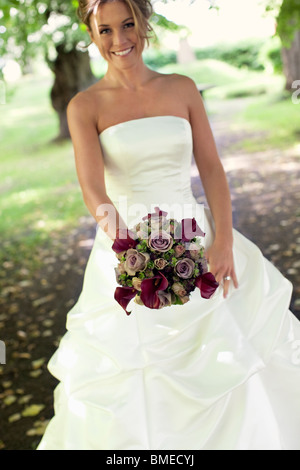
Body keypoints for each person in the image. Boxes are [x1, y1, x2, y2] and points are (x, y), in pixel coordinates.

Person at [37, 0, 300, 450]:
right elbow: (94, 193)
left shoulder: (181, 87)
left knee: (231, 357)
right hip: (127, 243)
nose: (120, 41)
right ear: (92, 33)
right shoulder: (85, 105)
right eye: (105, 31)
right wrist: (132, 254)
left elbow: (213, 169)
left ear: (144, 23)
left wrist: (222, 244)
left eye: (128, 25)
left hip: (196, 233)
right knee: (137, 374)